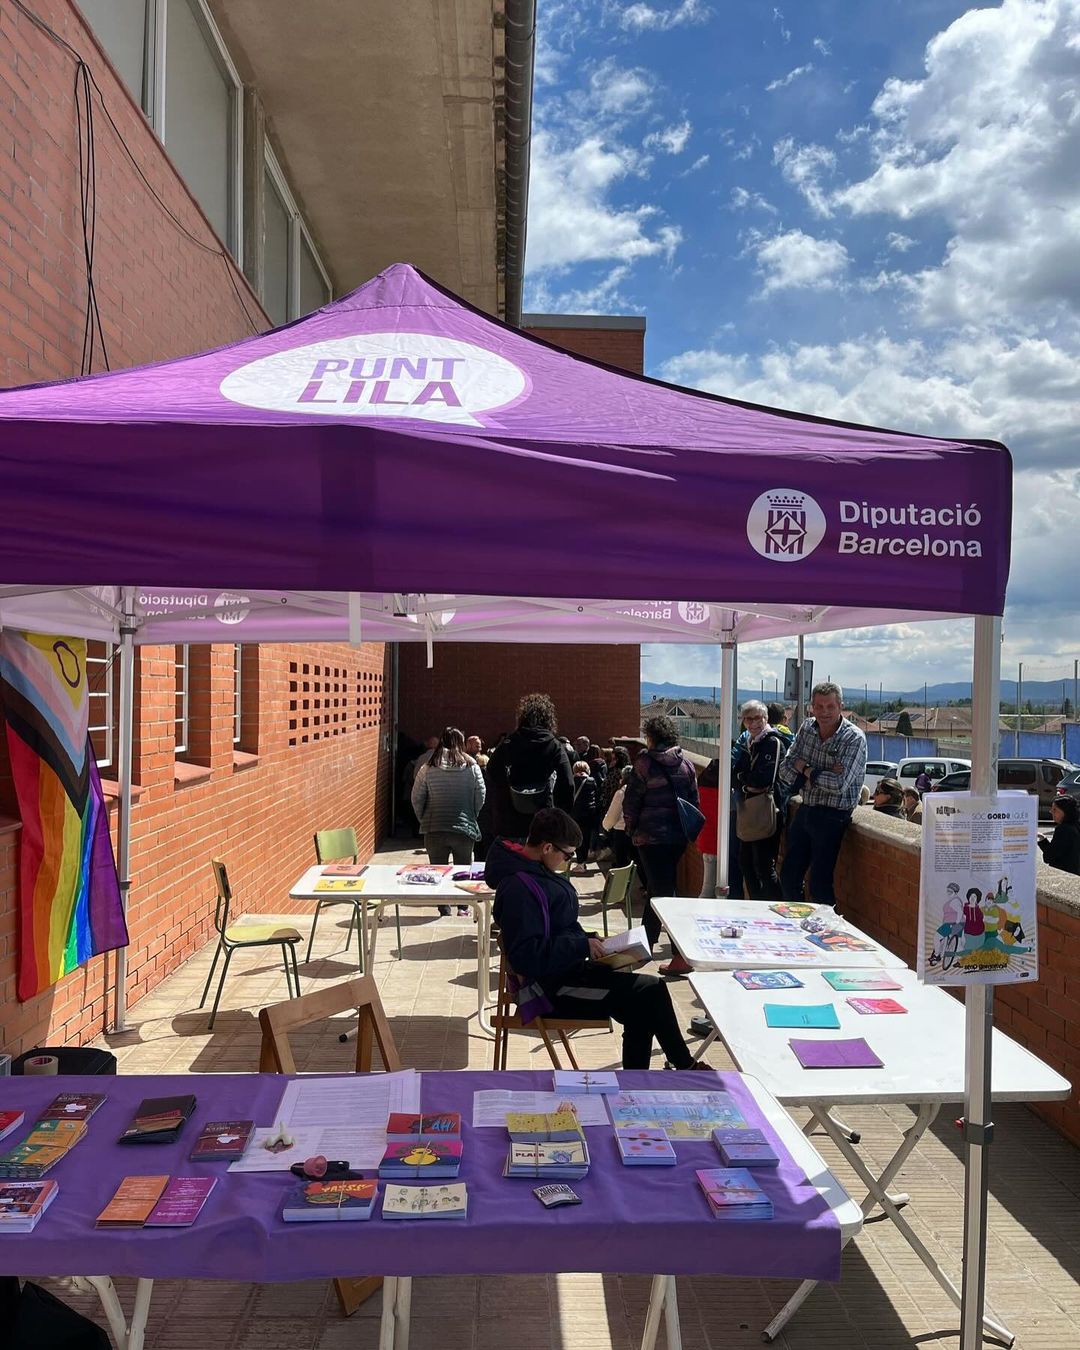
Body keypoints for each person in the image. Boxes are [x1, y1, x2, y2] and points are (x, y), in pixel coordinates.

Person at [486, 809, 694, 1069]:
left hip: (566, 974)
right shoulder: (519, 888)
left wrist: (590, 940)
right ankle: (681, 1067)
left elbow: (555, 929)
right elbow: (527, 957)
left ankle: (652, 1076)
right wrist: (580, 944)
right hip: (549, 991)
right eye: (567, 854)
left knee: (649, 993)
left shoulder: (536, 871)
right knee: (645, 996)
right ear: (548, 847)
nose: (568, 861)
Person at [778, 682, 867, 910]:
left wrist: (806, 769)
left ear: (841, 706)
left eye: (830, 706)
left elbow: (839, 784)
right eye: (819, 706)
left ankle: (826, 936)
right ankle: (796, 929)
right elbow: (785, 769)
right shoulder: (807, 728)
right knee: (788, 877)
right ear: (812, 708)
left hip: (833, 816)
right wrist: (820, 772)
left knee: (819, 884)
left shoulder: (853, 738)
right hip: (807, 808)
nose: (824, 712)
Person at [623, 713, 700, 975]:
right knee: (659, 889)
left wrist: (632, 830)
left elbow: (631, 802)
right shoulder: (686, 765)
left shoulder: (644, 764)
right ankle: (647, 942)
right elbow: (694, 802)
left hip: (649, 837)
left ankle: (681, 954)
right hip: (677, 837)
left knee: (665, 895)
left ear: (651, 736)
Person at [411, 726, 486, 914]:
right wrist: (472, 814)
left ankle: (443, 907)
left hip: (434, 827)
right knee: (463, 870)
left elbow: (417, 798)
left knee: (438, 871)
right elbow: (481, 794)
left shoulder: (428, 767)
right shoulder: (472, 767)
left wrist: (424, 818)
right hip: (464, 827)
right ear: (461, 743)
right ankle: (462, 906)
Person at [487, 693, 575, 840]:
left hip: (511, 820)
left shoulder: (510, 742)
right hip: (544, 818)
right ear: (549, 719)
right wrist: (561, 813)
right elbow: (568, 782)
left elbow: (492, 771)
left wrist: (506, 795)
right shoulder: (554, 745)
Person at [732, 700, 783, 902]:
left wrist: (744, 780)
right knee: (745, 862)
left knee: (763, 865)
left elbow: (763, 780)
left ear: (766, 718)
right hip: (749, 809)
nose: (753, 723)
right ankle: (757, 904)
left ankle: (775, 908)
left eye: (758, 718)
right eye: (748, 719)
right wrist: (745, 781)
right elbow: (735, 774)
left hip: (768, 810)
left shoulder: (773, 742)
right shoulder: (749, 742)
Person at [1038, 795, 1080, 875]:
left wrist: (1043, 841)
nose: (1051, 811)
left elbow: (1049, 856)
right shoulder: (1076, 825)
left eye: (1055, 809)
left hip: (1064, 875)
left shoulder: (1063, 829)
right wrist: (1043, 839)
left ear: (1065, 812)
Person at [570, 760, 599, 870]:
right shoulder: (591, 780)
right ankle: (583, 861)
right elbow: (596, 795)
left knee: (575, 836)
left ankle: (579, 860)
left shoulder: (572, 780)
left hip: (575, 813)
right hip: (589, 814)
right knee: (585, 837)